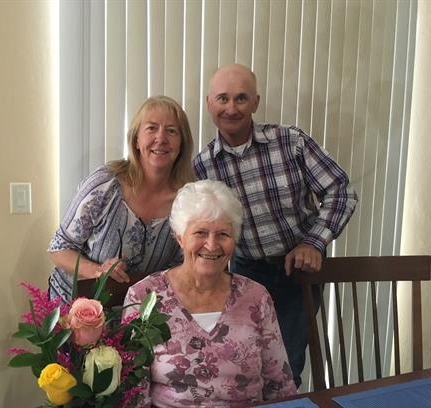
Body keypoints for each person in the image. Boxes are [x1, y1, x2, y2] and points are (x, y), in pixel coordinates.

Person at [193, 63, 358, 387]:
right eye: (222, 99)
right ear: (209, 103)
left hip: (297, 273)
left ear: (255, 103)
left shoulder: (290, 141)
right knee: (241, 367)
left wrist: (313, 242)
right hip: (243, 273)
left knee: (286, 370)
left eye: (241, 99)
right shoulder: (204, 165)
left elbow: (341, 191)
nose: (231, 108)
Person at [124, 180, 297, 407]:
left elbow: (280, 385)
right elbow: (134, 393)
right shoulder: (144, 296)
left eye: (223, 234)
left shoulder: (256, 297)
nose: (212, 245)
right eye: (200, 232)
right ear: (179, 237)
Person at [48, 95, 194, 303]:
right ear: (136, 139)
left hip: (139, 316)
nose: (160, 138)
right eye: (151, 128)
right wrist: (97, 271)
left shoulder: (188, 202)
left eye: (171, 131)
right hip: (74, 307)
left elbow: (183, 267)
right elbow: (59, 248)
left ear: (182, 143)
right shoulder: (104, 185)